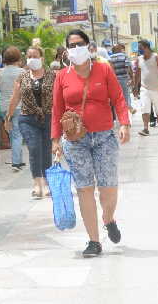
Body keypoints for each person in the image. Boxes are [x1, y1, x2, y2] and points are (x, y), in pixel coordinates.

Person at [52, 29, 131, 258]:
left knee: (108, 190)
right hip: (75, 140)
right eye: (71, 45)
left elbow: (118, 98)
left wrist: (124, 123)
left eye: (79, 44)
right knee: (85, 188)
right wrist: (55, 139)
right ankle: (94, 241)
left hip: (104, 136)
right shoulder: (62, 77)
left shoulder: (103, 69)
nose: (76, 48)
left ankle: (108, 218)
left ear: (88, 46)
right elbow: (57, 109)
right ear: (67, 50)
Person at [6, 47, 56, 198]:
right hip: (28, 118)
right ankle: (37, 184)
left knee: (46, 151)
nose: (32, 59)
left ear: (41, 58)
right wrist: (8, 116)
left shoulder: (52, 76)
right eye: (29, 56)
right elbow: (15, 97)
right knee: (34, 149)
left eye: (35, 56)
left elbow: (59, 97)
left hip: (48, 117)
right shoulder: (22, 77)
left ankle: (47, 183)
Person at [0, 46, 26, 171]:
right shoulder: (22, 72)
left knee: (13, 133)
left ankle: (19, 159)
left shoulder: (0, 71)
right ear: (18, 58)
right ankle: (16, 162)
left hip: (4, 106)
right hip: (18, 106)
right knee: (17, 134)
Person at [133, 40, 158, 136]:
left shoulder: (156, 57)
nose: (139, 50)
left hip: (156, 88)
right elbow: (138, 74)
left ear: (146, 47)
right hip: (144, 89)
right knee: (144, 108)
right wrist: (135, 87)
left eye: (140, 48)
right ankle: (145, 129)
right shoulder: (139, 59)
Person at [108, 43, 133, 114]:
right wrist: (131, 78)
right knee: (126, 95)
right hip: (124, 79)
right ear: (119, 49)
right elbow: (127, 67)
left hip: (115, 80)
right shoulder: (124, 56)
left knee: (117, 97)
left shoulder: (110, 58)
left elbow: (110, 69)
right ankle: (128, 107)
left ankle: (119, 113)